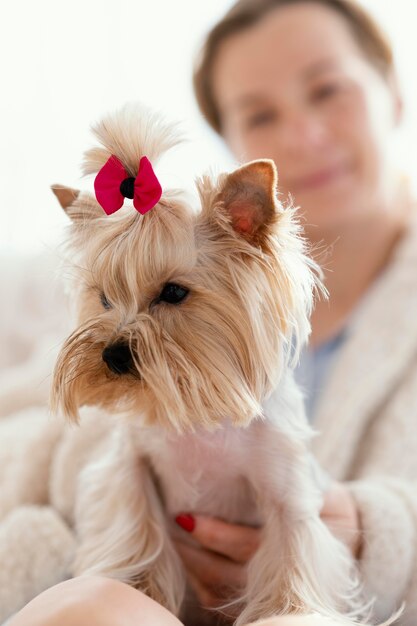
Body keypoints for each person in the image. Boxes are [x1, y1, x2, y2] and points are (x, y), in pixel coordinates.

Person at [7, 1, 417, 625]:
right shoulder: (103, 261)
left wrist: (375, 530)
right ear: (229, 135)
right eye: (260, 112)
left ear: (394, 88)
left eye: (327, 89)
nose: (304, 134)